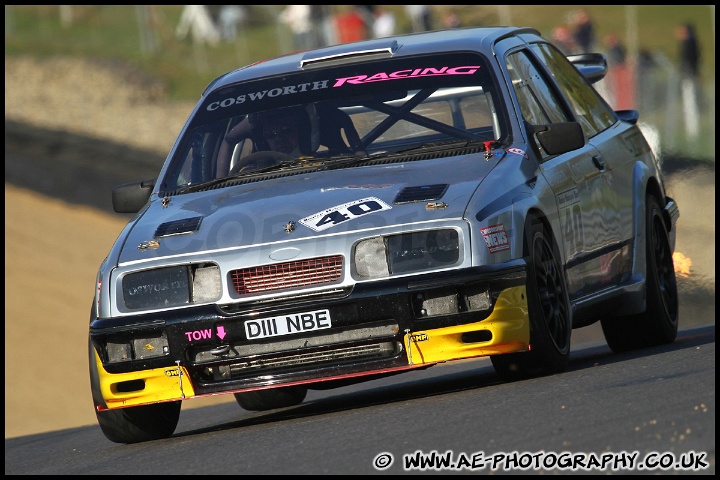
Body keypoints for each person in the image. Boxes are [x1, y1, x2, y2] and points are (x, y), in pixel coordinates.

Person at [675, 22, 702, 139]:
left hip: (689, 76)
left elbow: (688, 61)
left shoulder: (689, 43)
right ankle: (691, 129)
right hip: (689, 76)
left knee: (690, 103)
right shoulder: (691, 42)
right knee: (689, 103)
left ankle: (692, 130)